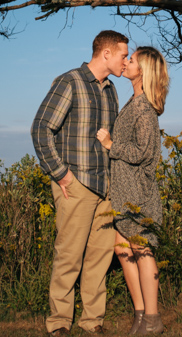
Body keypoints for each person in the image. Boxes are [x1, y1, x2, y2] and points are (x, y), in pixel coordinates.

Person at [31, 30, 130, 336]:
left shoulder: (111, 90)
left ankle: (92, 321)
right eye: (123, 55)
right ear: (107, 54)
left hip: (105, 187)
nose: (126, 62)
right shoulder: (69, 82)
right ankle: (59, 322)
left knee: (99, 259)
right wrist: (61, 174)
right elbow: (41, 129)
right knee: (69, 255)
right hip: (76, 184)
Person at [96, 46, 169, 335]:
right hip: (124, 189)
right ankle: (140, 315)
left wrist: (112, 145)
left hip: (138, 191)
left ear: (143, 71)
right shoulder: (134, 101)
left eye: (132, 59)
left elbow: (143, 151)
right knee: (122, 248)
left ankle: (152, 318)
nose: (126, 62)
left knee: (141, 248)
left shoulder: (145, 108)